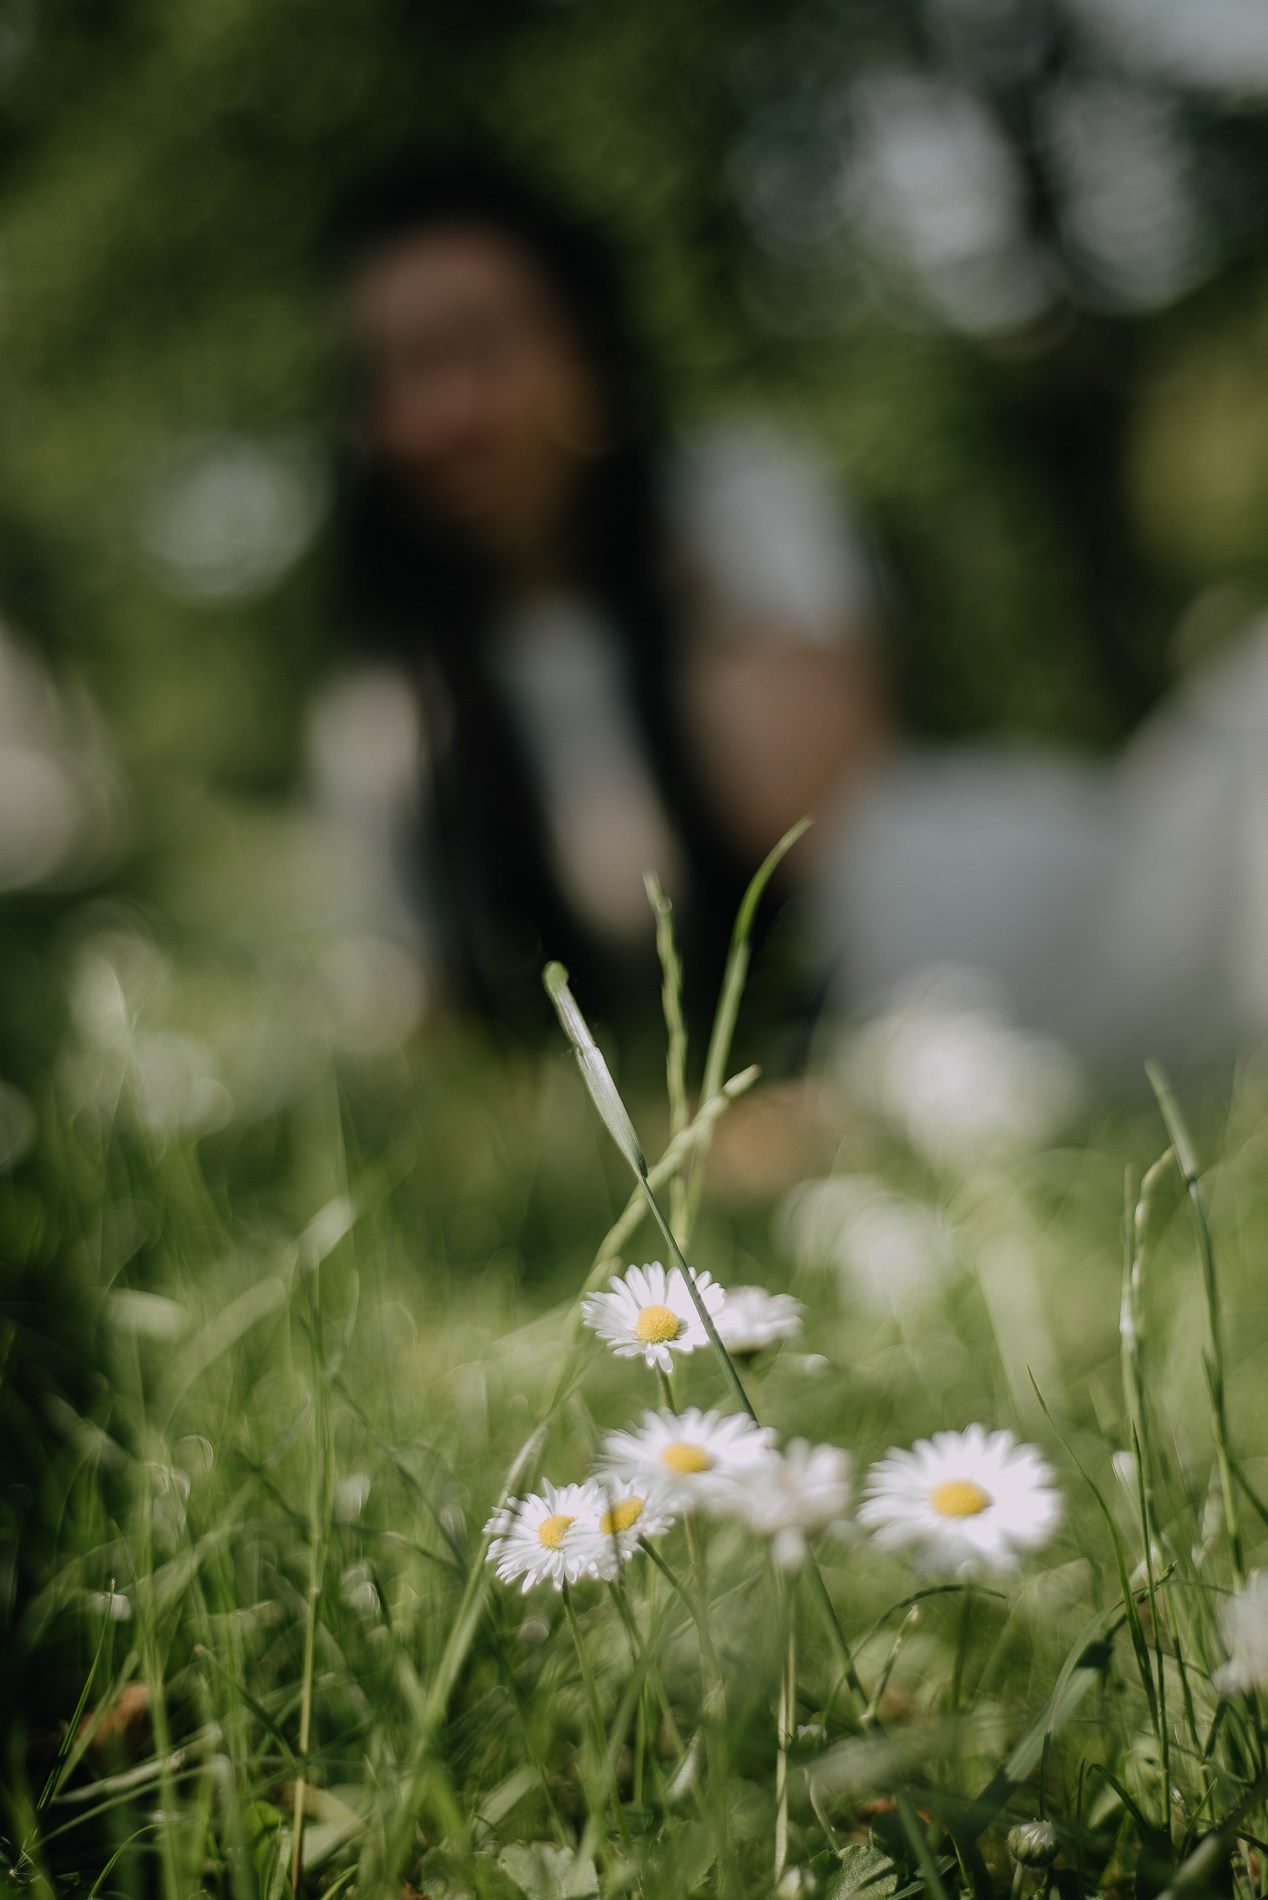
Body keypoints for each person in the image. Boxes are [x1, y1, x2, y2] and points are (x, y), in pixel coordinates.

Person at [313, 159, 888, 1041]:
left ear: (590, 353)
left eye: (477, 348)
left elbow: (808, 822)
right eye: (391, 373)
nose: (437, 413)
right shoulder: (385, 721)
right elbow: (425, 1025)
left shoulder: (739, 502)